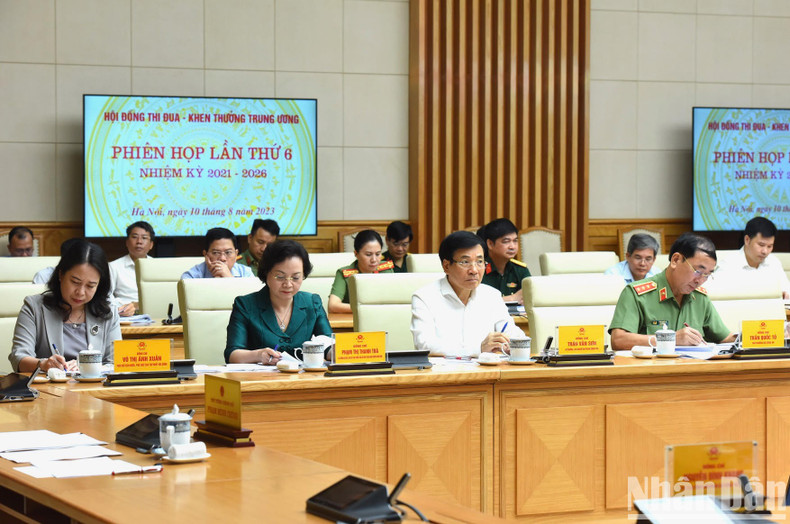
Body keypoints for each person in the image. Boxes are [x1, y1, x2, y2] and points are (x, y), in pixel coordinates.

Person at [609, 233, 736, 351]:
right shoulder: (637, 294)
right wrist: (670, 339)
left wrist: (749, 336)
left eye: (707, 275)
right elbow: (618, 340)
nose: (700, 281)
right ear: (675, 260)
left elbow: (725, 338)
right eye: (698, 271)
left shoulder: (700, 298)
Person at [9, 239, 121, 373]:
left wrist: (88, 367)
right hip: (48, 390)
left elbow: (115, 363)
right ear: (61, 275)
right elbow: (18, 358)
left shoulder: (108, 312)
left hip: (94, 390)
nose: (80, 292)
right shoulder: (34, 307)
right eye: (75, 282)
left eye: (90, 286)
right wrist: (44, 364)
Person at [411, 231, 526, 357]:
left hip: (487, 373)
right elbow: (425, 344)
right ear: (446, 266)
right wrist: (479, 348)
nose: (474, 270)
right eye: (465, 262)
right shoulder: (425, 297)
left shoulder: (491, 296)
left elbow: (512, 332)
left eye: (480, 261)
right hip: (444, 374)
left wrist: (513, 344)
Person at [225, 240, 331, 364]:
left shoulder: (312, 303)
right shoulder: (245, 305)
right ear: (266, 273)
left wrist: (334, 352)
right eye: (280, 277)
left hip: (303, 379)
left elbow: (327, 342)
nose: (288, 284)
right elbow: (232, 354)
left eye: (296, 277)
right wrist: (258, 355)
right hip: (260, 379)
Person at [715, 217, 790, 299]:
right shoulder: (729, 265)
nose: (765, 251)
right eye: (761, 245)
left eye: (769, 246)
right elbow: (717, 297)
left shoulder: (774, 262)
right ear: (747, 240)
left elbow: (786, 291)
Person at [328, 230, 394, 313]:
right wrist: (367, 310)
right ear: (356, 253)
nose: (374, 260)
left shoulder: (386, 269)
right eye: (368, 254)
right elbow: (333, 305)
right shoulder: (345, 273)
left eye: (378, 254)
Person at [479, 218, 530, 303]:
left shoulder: (520, 270)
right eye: (506, 241)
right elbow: (474, 302)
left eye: (515, 241)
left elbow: (531, 297)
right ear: (490, 244)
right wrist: (512, 298)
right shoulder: (478, 269)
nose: (512, 247)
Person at [109, 221, 155, 316]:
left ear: (151, 245)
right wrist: (125, 307)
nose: (139, 242)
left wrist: (139, 305)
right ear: (127, 242)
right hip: (125, 315)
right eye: (134, 237)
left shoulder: (157, 266)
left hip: (154, 313)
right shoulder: (113, 267)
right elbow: (106, 297)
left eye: (144, 238)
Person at [181, 227, 254, 279]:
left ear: (236, 254)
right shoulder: (191, 277)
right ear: (205, 255)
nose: (222, 258)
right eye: (216, 253)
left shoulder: (246, 273)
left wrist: (229, 278)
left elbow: (250, 300)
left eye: (228, 252)